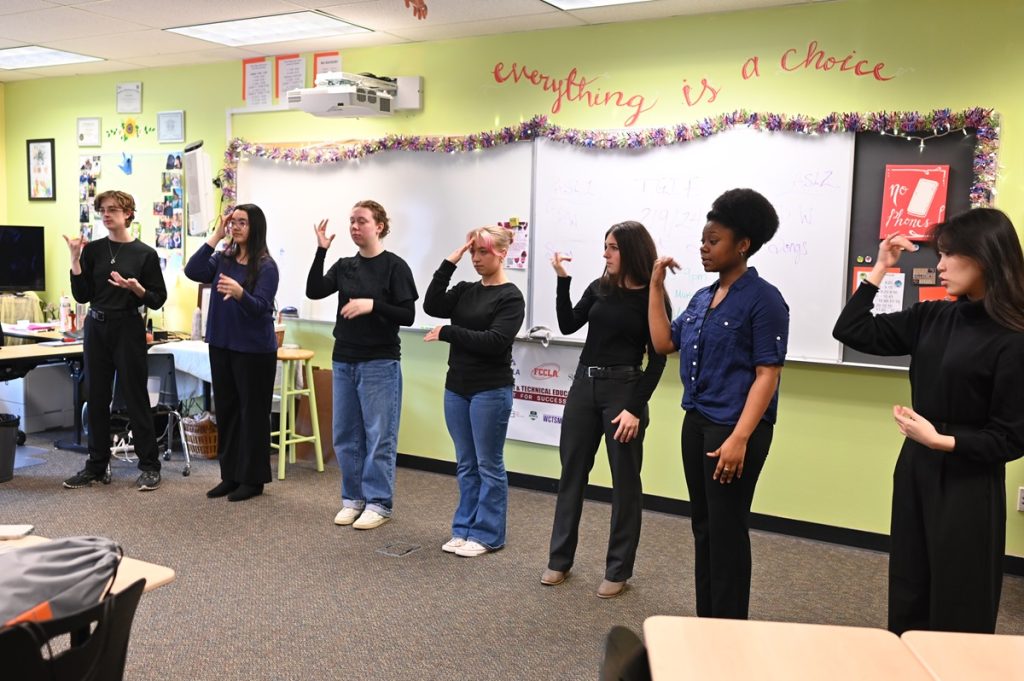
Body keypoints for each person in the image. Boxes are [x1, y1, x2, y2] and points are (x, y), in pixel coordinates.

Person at [832, 207, 1024, 634]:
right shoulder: (933, 316)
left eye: (948, 255)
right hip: (917, 466)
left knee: (961, 593)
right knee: (910, 583)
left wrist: (943, 442)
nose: (938, 266)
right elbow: (851, 330)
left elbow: (1012, 437)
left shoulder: (1013, 337)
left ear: (985, 258)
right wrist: (881, 267)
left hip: (968, 481)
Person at [648, 188, 789, 620]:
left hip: (735, 430)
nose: (704, 248)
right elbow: (662, 343)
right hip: (699, 423)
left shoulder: (764, 299)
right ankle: (707, 623)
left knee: (727, 531)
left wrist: (740, 438)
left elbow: (768, 374)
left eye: (714, 241)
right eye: (703, 240)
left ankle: (729, 630)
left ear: (742, 244)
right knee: (705, 527)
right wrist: (655, 287)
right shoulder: (701, 298)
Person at [542, 221, 667, 599]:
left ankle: (618, 569)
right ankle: (559, 560)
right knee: (572, 474)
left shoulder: (652, 296)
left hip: (624, 391)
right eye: (605, 246)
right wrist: (562, 279)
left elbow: (658, 360)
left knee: (625, 483)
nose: (605, 253)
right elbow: (567, 324)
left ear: (630, 251)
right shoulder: (599, 287)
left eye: (612, 247)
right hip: (584, 385)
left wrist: (633, 408)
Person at [306, 200, 418, 530]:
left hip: (380, 362)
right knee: (345, 435)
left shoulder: (395, 267)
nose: (355, 227)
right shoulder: (344, 266)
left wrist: (373, 305)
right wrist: (321, 251)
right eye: (352, 222)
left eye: (362, 221)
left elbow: (408, 315)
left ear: (379, 226)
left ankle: (379, 503)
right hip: (344, 360)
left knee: (379, 436)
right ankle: (352, 499)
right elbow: (314, 291)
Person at [422, 226, 525, 557]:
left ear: (502, 253)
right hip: (457, 388)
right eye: (473, 253)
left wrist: (450, 332)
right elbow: (432, 303)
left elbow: (495, 342)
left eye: (484, 252)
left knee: (488, 464)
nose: (477, 259)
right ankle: (463, 528)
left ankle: (487, 534)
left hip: (490, 391)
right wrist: (450, 261)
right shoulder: (466, 289)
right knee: (466, 464)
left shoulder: (510, 296)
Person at [62, 190, 167, 491]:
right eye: (102, 210)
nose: (106, 215)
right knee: (95, 397)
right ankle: (96, 466)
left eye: (112, 209)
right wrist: (74, 257)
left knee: (135, 396)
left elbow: (158, 298)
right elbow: (82, 295)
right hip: (96, 327)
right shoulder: (92, 250)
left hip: (128, 327)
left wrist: (136, 289)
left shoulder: (145, 254)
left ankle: (149, 466)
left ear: (128, 213)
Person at [185, 204, 280, 502]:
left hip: (254, 351)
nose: (236, 227)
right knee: (226, 411)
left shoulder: (266, 266)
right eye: (233, 222)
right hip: (222, 344)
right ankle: (230, 475)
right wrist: (215, 235)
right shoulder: (224, 258)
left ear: (256, 228)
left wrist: (240, 293)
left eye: (242, 222)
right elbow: (193, 270)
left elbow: (261, 308)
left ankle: (252, 480)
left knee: (251, 415)